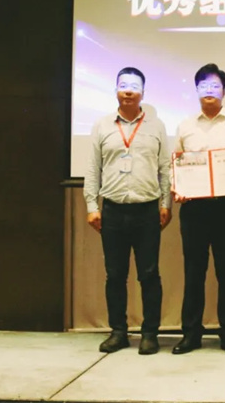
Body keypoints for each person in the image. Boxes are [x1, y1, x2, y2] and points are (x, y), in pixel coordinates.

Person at [83, 67, 173, 355]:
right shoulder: (102, 125)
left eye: (134, 86)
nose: (129, 91)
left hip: (147, 210)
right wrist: (91, 206)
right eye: (123, 85)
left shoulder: (156, 126)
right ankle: (118, 332)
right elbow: (92, 168)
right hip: (112, 211)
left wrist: (166, 204)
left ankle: (150, 333)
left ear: (143, 92)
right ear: (116, 91)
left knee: (149, 274)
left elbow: (165, 168)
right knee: (115, 275)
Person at [171, 63, 225, 356]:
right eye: (204, 86)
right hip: (193, 209)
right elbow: (175, 164)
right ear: (196, 90)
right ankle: (191, 334)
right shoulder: (185, 125)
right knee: (194, 273)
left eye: (215, 85)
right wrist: (176, 186)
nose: (209, 90)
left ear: (224, 90)